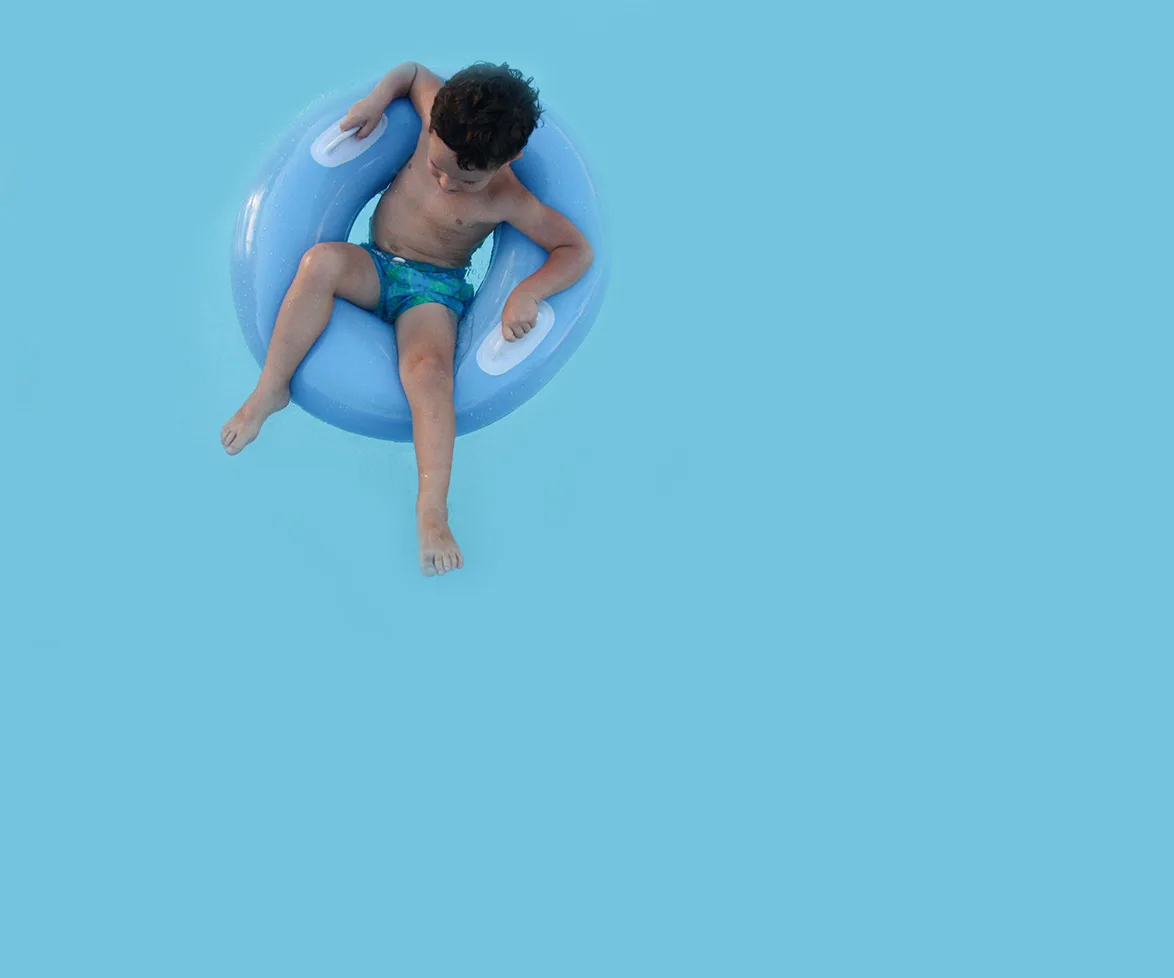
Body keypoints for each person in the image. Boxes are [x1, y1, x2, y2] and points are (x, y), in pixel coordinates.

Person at [221, 62, 594, 576]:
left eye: (463, 180)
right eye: (436, 165)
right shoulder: (434, 113)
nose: (442, 181)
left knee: (428, 374)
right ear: (434, 122)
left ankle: (432, 510)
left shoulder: (508, 196)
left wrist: (528, 292)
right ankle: (271, 388)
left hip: (431, 292)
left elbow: (575, 249)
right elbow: (414, 72)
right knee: (320, 263)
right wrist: (375, 101)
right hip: (375, 262)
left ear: (508, 159)